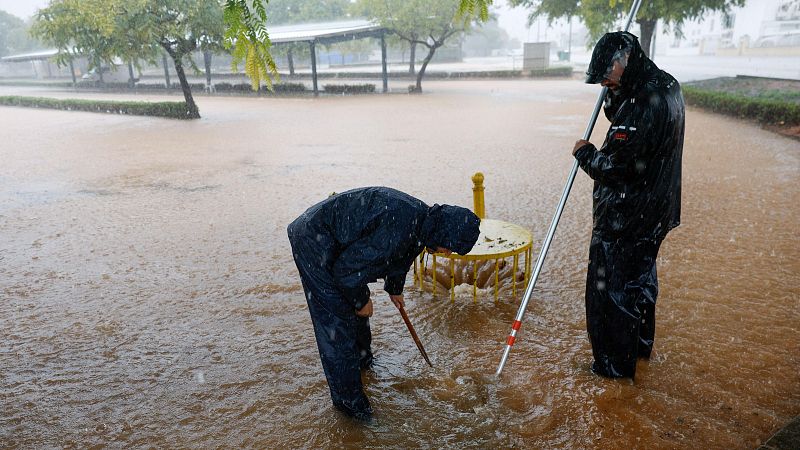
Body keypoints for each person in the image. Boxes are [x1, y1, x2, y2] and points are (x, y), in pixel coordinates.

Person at [287, 187, 481, 420]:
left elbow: (405, 252)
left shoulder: (423, 221)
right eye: (450, 247)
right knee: (337, 323)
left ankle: (363, 362)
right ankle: (353, 411)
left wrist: (395, 288)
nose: (448, 254)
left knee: (355, 306)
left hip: (337, 240)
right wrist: (361, 301)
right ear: (444, 232)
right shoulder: (399, 227)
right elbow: (346, 271)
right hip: (313, 239)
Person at [571, 31, 684, 379]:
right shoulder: (666, 86)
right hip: (656, 213)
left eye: (607, 74)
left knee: (610, 297)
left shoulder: (641, 103)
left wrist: (585, 154)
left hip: (625, 218)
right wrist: (615, 95)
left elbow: (617, 169)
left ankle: (613, 371)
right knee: (640, 285)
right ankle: (639, 353)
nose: (604, 82)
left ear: (623, 61)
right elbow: (630, 128)